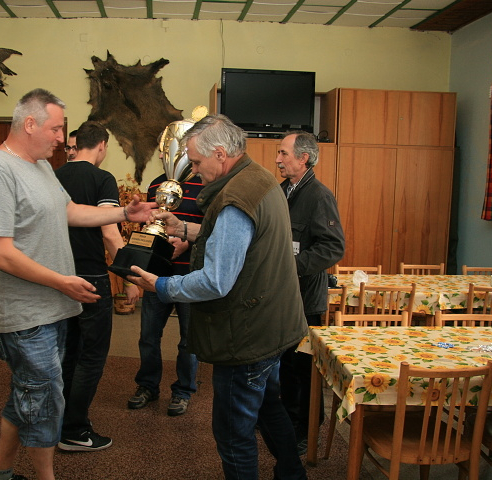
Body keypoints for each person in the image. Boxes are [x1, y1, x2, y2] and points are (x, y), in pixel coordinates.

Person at [0, 88, 155, 480]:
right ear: (30, 123)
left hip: (50, 307)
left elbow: (70, 211)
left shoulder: (40, 166)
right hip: (23, 314)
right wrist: (62, 282)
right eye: (55, 129)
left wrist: (124, 213)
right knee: (44, 404)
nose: (62, 139)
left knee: (29, 393)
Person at [128, 114, 309, 480]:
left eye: (196, 162)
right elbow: (237, 239)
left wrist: (160, 286)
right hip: (274, 325)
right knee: (268, 408)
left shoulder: (234, 199)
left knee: (233, 433)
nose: (193, 171)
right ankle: (293, 474)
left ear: (221, 154)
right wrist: (184, 228)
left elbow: (215, 281)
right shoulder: (257, 179)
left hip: (246, 335)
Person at [55, 121, 139, 452]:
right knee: (91, 357)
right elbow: (109, 232)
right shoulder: (101, 178)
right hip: (91, 279)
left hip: (58, 278)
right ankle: (75, 430)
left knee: (67, 353)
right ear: (102, 146)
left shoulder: (54, 176)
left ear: (77, 145)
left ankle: (59, 421)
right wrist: (131, 277)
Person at [276, 131, 345, 456]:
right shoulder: (281, 192)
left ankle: (307, 429)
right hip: (282, 297)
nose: (278, 159)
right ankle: (289, 422)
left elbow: (333, 247)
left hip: (305, 300)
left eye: (283, 153)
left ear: (303, 158)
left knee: (304, 369)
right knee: (286, 366)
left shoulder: (319, 196)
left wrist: (291, 266)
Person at [127, 170, 203, 416]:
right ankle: (147, 386)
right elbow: (146, 226)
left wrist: (187, 242)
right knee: (148, 336)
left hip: (189, 275)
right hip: (156, 274)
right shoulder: (156, 184)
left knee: (189, 339)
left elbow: (212, 229)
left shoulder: (204, 182)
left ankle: (183, 390)